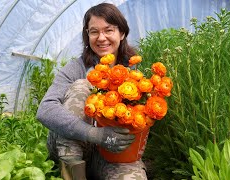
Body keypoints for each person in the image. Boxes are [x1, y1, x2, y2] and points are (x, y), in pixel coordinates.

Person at [37, 3, 147, 180]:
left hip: (110, 154)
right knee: (83, 85)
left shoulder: (135, 73)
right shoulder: (77, 67)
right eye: (94, 31)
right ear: (87, 36)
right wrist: (94, 134)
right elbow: (45, 110)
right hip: (70, 148)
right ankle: (72, 172)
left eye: (108, 30)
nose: (101, 38)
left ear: (122, 33)